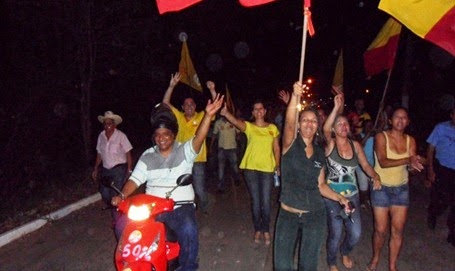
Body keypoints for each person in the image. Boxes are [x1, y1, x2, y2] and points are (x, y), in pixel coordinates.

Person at [112, 94, 224, 271]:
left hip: (178, 205)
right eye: (157, 134)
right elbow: (135, 179)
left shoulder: (184, 150)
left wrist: (208, 116)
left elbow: (199, 138)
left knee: (188, 229)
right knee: (122, 226)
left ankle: (189, 266)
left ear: (174, 135)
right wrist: (122, 195)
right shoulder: (148, 155)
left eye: (166, 134)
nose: (161, 138)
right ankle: (134, 263)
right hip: (151, 208)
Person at [274, 82, 351, 271]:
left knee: (308, 266)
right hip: (288, 214)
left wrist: (340, 198)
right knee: (282, 266)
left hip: (314, 215)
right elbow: (289, 122)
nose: (309, 123)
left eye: (313, 121)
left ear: (318, 126)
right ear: (300, 125)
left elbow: (321, 185)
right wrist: (294, 96)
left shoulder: (319, 152)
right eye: (305, 120)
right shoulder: (289, 145)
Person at [323, 94, 381, 271]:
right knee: (336, 232)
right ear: (333, 128)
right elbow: (325, 129)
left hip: (352, 196)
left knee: (355, 233)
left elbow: (364, 164)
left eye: (346, 123)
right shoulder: (330, 144)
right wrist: (335, 107)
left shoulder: (356, 145)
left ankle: (345, 251)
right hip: (332, 196)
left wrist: (375, 176)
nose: (344, 126)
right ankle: (332, 262)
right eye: (339, 124)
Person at [367, 107, 424, 271]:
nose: (401, 120)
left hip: (401, 189)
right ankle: (376, 257)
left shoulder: (410, 141)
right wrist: (408, 159)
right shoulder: (381, 136)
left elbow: (411, 167)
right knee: (380, 230)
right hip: (381, 188)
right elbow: (383, 162)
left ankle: (392, 266)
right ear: (390, 120)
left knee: (398, 230)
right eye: (397, 117)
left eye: (404, 117)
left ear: (408, 121)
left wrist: (414, 166)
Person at [220, 99, 280, 246]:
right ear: (253, 113)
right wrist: (226, 113)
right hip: (251, 169)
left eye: (261, 109)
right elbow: (235, 121)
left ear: (265, 111)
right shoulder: (249, 127)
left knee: (265, 202)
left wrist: (277, 165)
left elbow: (276, 148)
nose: (259, 111)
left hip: (267, 169)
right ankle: (257, 229)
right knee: (256, 201)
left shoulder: (272, 128)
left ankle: (265, 229)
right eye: (256, 109)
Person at [162, 72, 217, 213]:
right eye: (186, 104)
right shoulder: (179, 117)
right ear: (182, 107)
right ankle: (185, 209)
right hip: (181, 159)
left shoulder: (201, 116)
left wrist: (212, 90)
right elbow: (165, 103)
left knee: (199, 188)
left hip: (197, 159)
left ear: (195, 106)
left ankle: (204, 204)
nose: (189, 106)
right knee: (180, 187)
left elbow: (216, 106)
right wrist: (171, 86)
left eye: (192, 103)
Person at [91, 111, 133, 223]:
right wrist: (95, 168)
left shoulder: (121, 136)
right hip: (106, 169)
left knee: (116, 193)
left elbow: (128, 153)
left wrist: (129, 169)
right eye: (105, 123)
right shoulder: (101, 136)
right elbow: (99, 153)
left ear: (114, 124)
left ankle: (118, 217)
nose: (107, 126)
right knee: (104, 192)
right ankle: (117, 209)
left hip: (119, 169)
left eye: (109, 123)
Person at [426, 107, 455, 247]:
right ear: (451, 115)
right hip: (442, 168)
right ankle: (433, 211)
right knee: (441, 199)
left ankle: (453, 233)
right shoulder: (441, 128)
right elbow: (430, 149)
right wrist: (430, 169)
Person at [210, 115, 240, 193]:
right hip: (222, 148)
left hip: (232, 148)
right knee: (221, 168)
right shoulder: (218, 123)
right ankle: (220, 187)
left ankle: (236, 178)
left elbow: (238, 132)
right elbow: (214, 134)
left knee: (234, 166)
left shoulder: (233, 121)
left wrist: (238, 141)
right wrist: (211, 146)